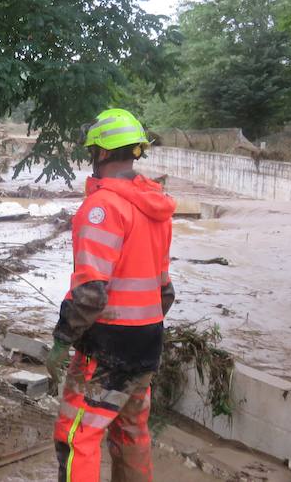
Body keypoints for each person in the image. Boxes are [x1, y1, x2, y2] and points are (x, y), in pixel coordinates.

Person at [47, 109, 176, 482]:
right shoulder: (157, 209)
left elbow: (90, 292)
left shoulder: (101, 207)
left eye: (93, 152)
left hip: (108, 346)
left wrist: (61, 341)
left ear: (102, 154)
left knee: (77, 436)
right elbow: (164, 289)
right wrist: (144, 325)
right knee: (131, 431)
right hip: (148, 340)